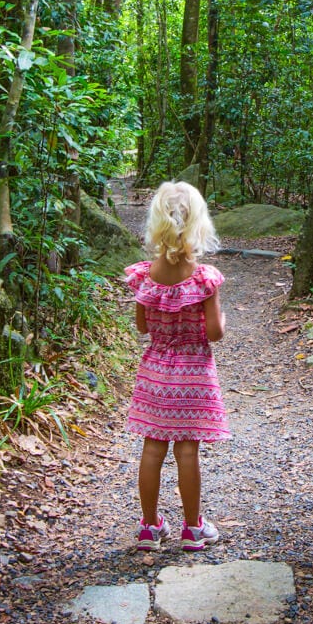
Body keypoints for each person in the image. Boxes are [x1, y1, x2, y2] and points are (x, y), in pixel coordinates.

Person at [124, 181, 229, 552]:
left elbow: (142, 327)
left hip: (156, 370)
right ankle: (192, 528)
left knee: (152, 448)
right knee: (187, 450)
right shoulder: (204, 279)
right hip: (193, 371)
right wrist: (219, 317)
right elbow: (214, 333)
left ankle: (150, 527)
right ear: (199, 223)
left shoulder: (144, 276)